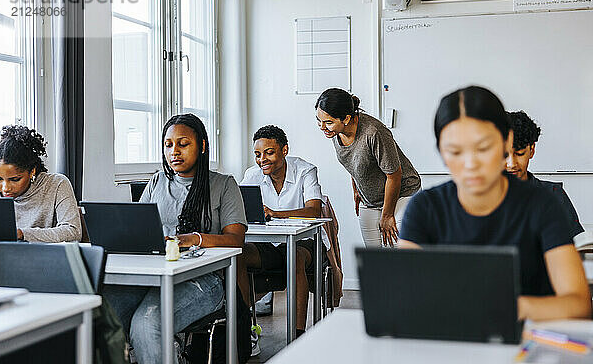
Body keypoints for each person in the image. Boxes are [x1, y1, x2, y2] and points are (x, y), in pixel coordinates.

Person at [399, 86, 591, 321]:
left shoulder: (543, 204)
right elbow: (404, 296)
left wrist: (510, 307)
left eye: (483, 148)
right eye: (455, 152)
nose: (470, 164)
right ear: (440, 150)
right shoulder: (424, 208)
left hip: (525, 339)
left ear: (506, 141)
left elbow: (578, 304)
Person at [104, 114, 247, 364]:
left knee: (147, 323)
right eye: (168, 145)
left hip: (204, 280)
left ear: (202, 146)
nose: (174, 152)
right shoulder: (158, 181)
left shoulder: (224, 184)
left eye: (183, 144)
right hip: (153, 276)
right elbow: (138, 228)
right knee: (102, 314)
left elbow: (236, 239)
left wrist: (194, 238)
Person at [238, 125, 326, 345]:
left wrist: (276, 213)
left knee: (294, 257)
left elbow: (314, 210)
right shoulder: (252, 174)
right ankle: (240, 325)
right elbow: (238, 210)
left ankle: (297, 336)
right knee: (236, 255)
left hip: (305, 242)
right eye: (258, 154)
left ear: (284, 150)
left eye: (269, 152)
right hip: (270, 244)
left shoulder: (305, 170)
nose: (262, 160)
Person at [315, 88, 421, 247]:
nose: (322, 126)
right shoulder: (335, 132)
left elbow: (394, 175)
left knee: (400, 253)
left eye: (328, 122)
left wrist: (387, 215)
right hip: (370, 200)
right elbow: (353, 161)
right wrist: (357, 190)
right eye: (319, 120)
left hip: (402, 194)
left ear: (346, 118)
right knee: (375, 258)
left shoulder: (373, 132)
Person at [0, 125, 81, 242]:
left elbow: (73, 232)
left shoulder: (56, 184)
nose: (5, 188)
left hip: (43, 257)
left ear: (32, 171)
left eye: (15, 179)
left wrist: (22, 233)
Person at [506, 110, 584, 238]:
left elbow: (578, 243)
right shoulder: (478, 196)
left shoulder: (553, 194)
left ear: (532, 150)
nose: (511, 164)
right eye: (504, 155)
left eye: (519, 153)